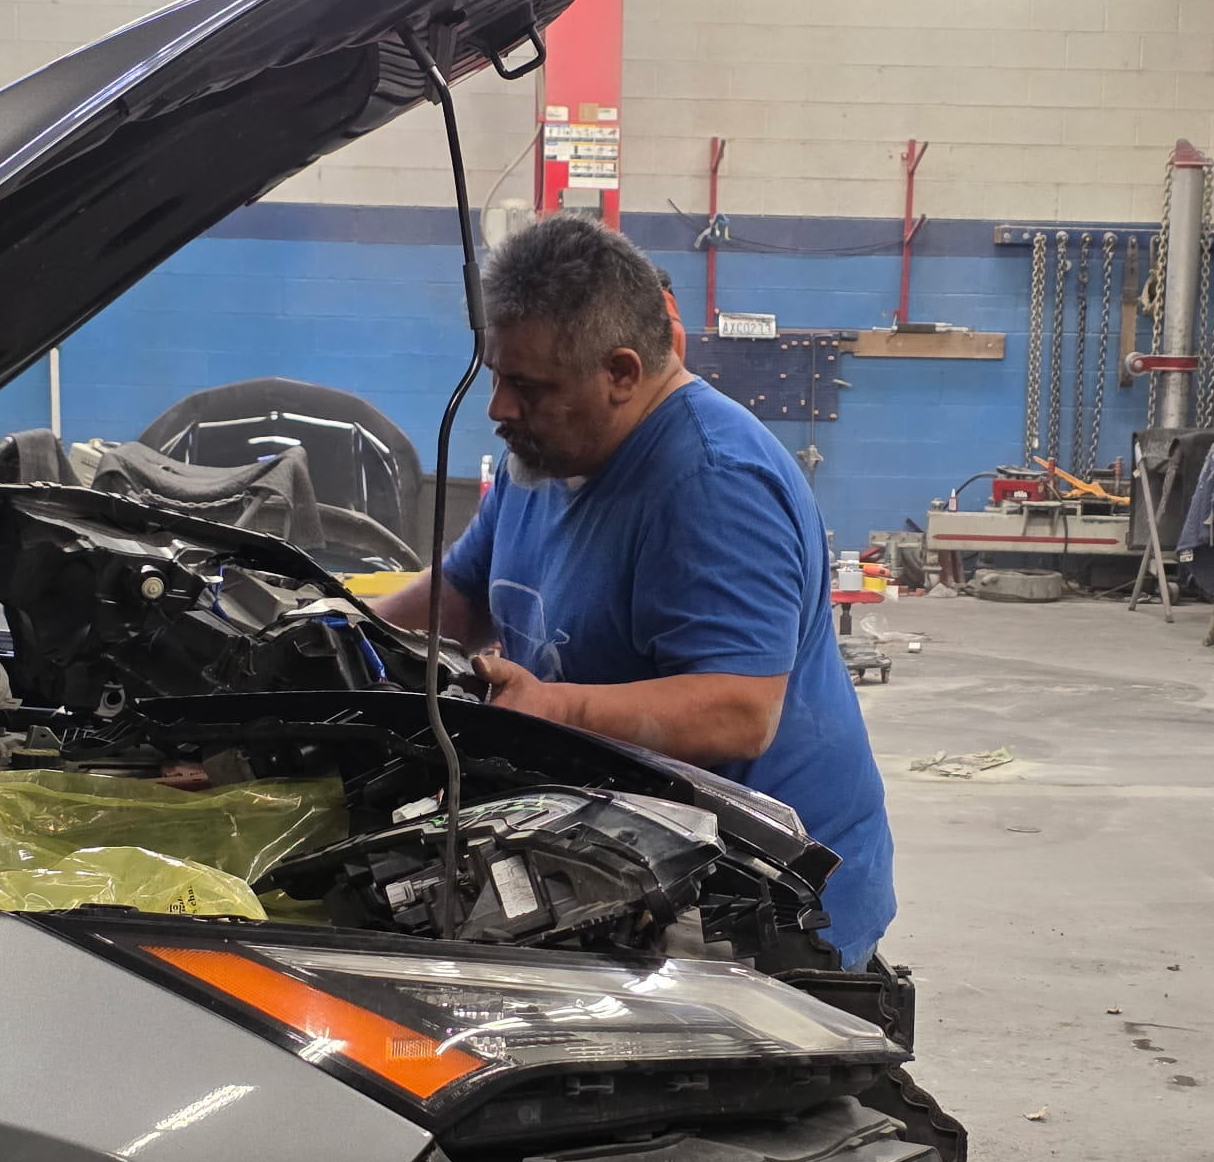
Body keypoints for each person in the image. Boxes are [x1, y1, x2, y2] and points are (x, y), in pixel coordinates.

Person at [373, 214, 894, 967]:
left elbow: (739, 711)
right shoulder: (544, 460)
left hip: (760, 905)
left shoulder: (711, 483)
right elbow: (459, 597)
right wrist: (331, 628)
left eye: (528, 386)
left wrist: (553, 710)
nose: (498, 408)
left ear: (621, 373)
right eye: (495, 375)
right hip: (632, 861)